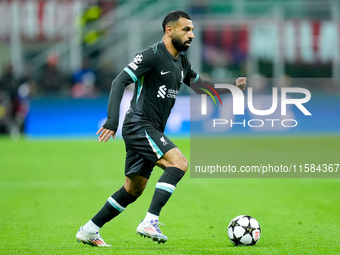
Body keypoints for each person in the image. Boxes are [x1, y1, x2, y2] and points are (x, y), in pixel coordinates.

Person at [76, 10, 247, 247]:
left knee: (133, 189)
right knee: (179, 163)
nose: (192, 35)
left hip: (151, 127)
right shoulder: (151, 55)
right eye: (186, 29)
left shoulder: (182, 62)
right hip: (139, 123)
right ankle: (150, 221)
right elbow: (119, 81)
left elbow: (202, 87)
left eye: (193, 30)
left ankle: (90, 229)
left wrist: (232, 86)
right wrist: (112, 121)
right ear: (170, 30)